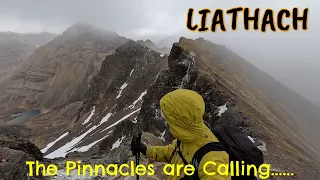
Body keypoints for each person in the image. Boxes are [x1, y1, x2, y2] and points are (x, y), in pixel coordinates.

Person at [131, 89, 230, 180]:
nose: (166, 122)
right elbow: (171, 152)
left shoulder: (212, 158)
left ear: (179, 122)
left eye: (168, 119)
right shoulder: (186, 137)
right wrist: (146, 150)